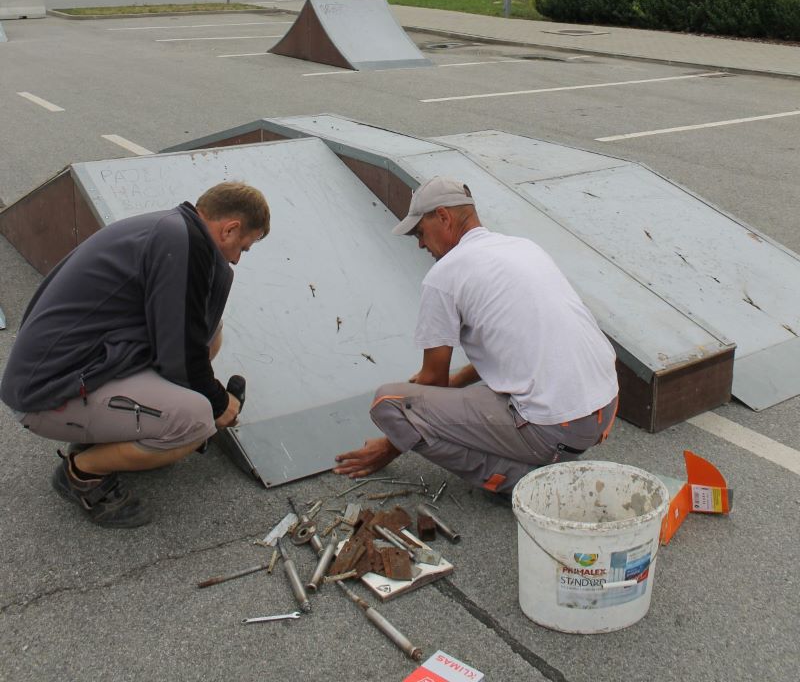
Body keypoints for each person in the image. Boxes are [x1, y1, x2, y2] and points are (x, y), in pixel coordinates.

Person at [1, 182, 270, 528]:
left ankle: (123, 430)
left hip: (71, 364)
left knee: (211, 332)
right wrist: (220, 403)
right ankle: (81, 473)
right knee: (196, 420)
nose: (236, 259)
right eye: (243, 247)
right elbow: (181, 358)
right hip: (44, 393)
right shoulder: (180, 243)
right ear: (230, 228)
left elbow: (189, 335)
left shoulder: (171, 229)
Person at [334, 177, 618, 498]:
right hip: (603, 408)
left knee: (389, 403)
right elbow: (513, 347)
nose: (420, 244)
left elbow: (433, 380)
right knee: (469, 391)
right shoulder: (523, 247)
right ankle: (538, 454)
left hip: (555, 431)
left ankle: (524, 483)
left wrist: (392, 445)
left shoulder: (444, 275)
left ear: (443, 217)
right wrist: (449, 389)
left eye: (420, 232)